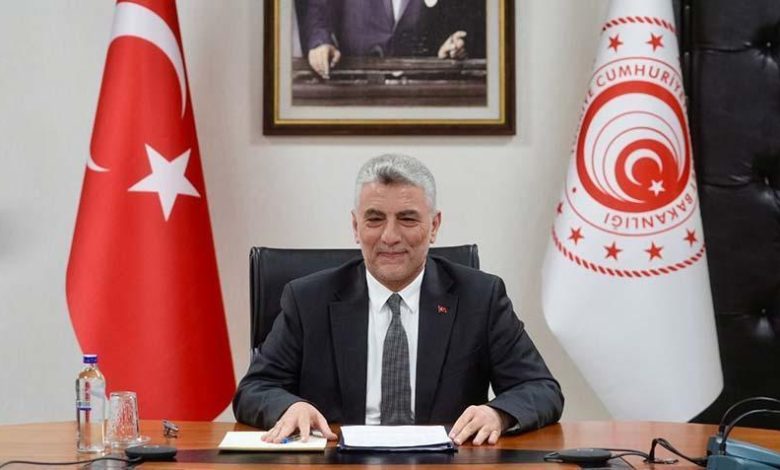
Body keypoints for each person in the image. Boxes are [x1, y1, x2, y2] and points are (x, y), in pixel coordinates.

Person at [233, 154, 563, 446]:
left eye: (407, 219)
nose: (390, 236)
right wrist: (290, 407)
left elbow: (540, 388)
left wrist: (497, 414)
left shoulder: (480, 297)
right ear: (356, 226)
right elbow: (254, 389)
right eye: (375, 219)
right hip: (338, 462)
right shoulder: (308, 300)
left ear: (434, 226)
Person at [301, 0, 486, 78]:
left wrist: (450, 45)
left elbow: (462, 19)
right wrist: (320, 42)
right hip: (356, 84)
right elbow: (319, 9)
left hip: (422, 86)